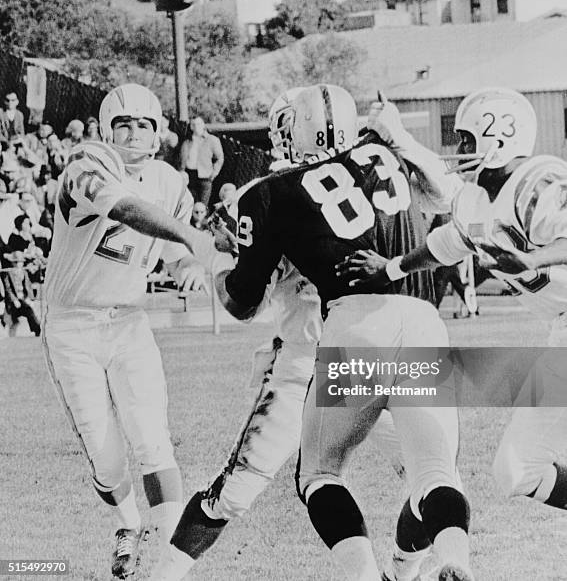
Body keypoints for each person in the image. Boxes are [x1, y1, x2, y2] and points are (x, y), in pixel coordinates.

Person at [156, 84, 472, 581]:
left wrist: (217, 255)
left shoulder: (267, 195)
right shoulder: (380, 159)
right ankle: (438, 563)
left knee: (321, 476)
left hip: (334, 344)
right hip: (358, 339)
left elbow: (245, 299)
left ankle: (392, 572)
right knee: (431, 472)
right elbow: (448, 197)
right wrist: (400, 140)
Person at [340, 86, 567, 530]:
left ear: (500, 138)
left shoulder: (537, 181)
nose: (460, 149)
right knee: (518, 470)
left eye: (467, 139)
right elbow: (444, 246)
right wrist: (389, 268)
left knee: (520, 467)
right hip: (562, 329)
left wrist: (533, 259)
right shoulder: (482, 197)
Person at [41, 83, 211, 580]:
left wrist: (188, 266)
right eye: (123, 124)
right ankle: (127, 524)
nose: (134, 134)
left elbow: (176, 254)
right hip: (72, 325)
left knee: (152, 440)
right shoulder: (86, 163)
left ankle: (171, 562)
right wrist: (190, 237)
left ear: (159, 133)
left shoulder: (172, 183)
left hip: (129, 320)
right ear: (104, 129)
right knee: (106, 456)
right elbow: (125, 209)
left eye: (143, 125)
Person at [179, 116, 224, 206]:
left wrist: (214, 173)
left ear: (203, 125)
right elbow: (181, 158)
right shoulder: (187, 141)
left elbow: (220, 158)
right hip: (189, 175)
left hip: (205, 176)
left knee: (202, 205)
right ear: (191, 127)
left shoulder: (212, 140)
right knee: (188, 203)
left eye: (199, 124)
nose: (196, 127)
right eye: (193, 124)